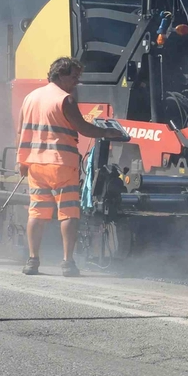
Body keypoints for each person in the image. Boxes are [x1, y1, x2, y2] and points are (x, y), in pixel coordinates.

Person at [18, 57, 127, 276]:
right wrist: (109, 132)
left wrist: (21, 161)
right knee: (68, 213)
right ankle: (68, 262)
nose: (77, 82)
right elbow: (84, 128)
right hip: (61, 165)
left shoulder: (30, 98)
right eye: (74, 77)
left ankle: (32, 260)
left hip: (35, 164)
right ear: (60, 75)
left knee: (37, 213)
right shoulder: (65, 100)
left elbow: (21, 131)